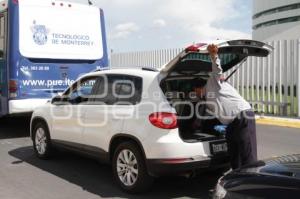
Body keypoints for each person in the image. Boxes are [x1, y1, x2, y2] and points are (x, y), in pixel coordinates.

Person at [204, 44, 257, 169]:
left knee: (246, 154)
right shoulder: (206, 99)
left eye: (195, 91)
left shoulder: (212, 83)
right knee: (234, 153)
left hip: (243, 115)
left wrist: (214, 56)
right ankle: (235, 180)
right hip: (232, 123)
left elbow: (217, 71)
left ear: (198, 87)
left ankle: (251, 179)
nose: (195, 95)